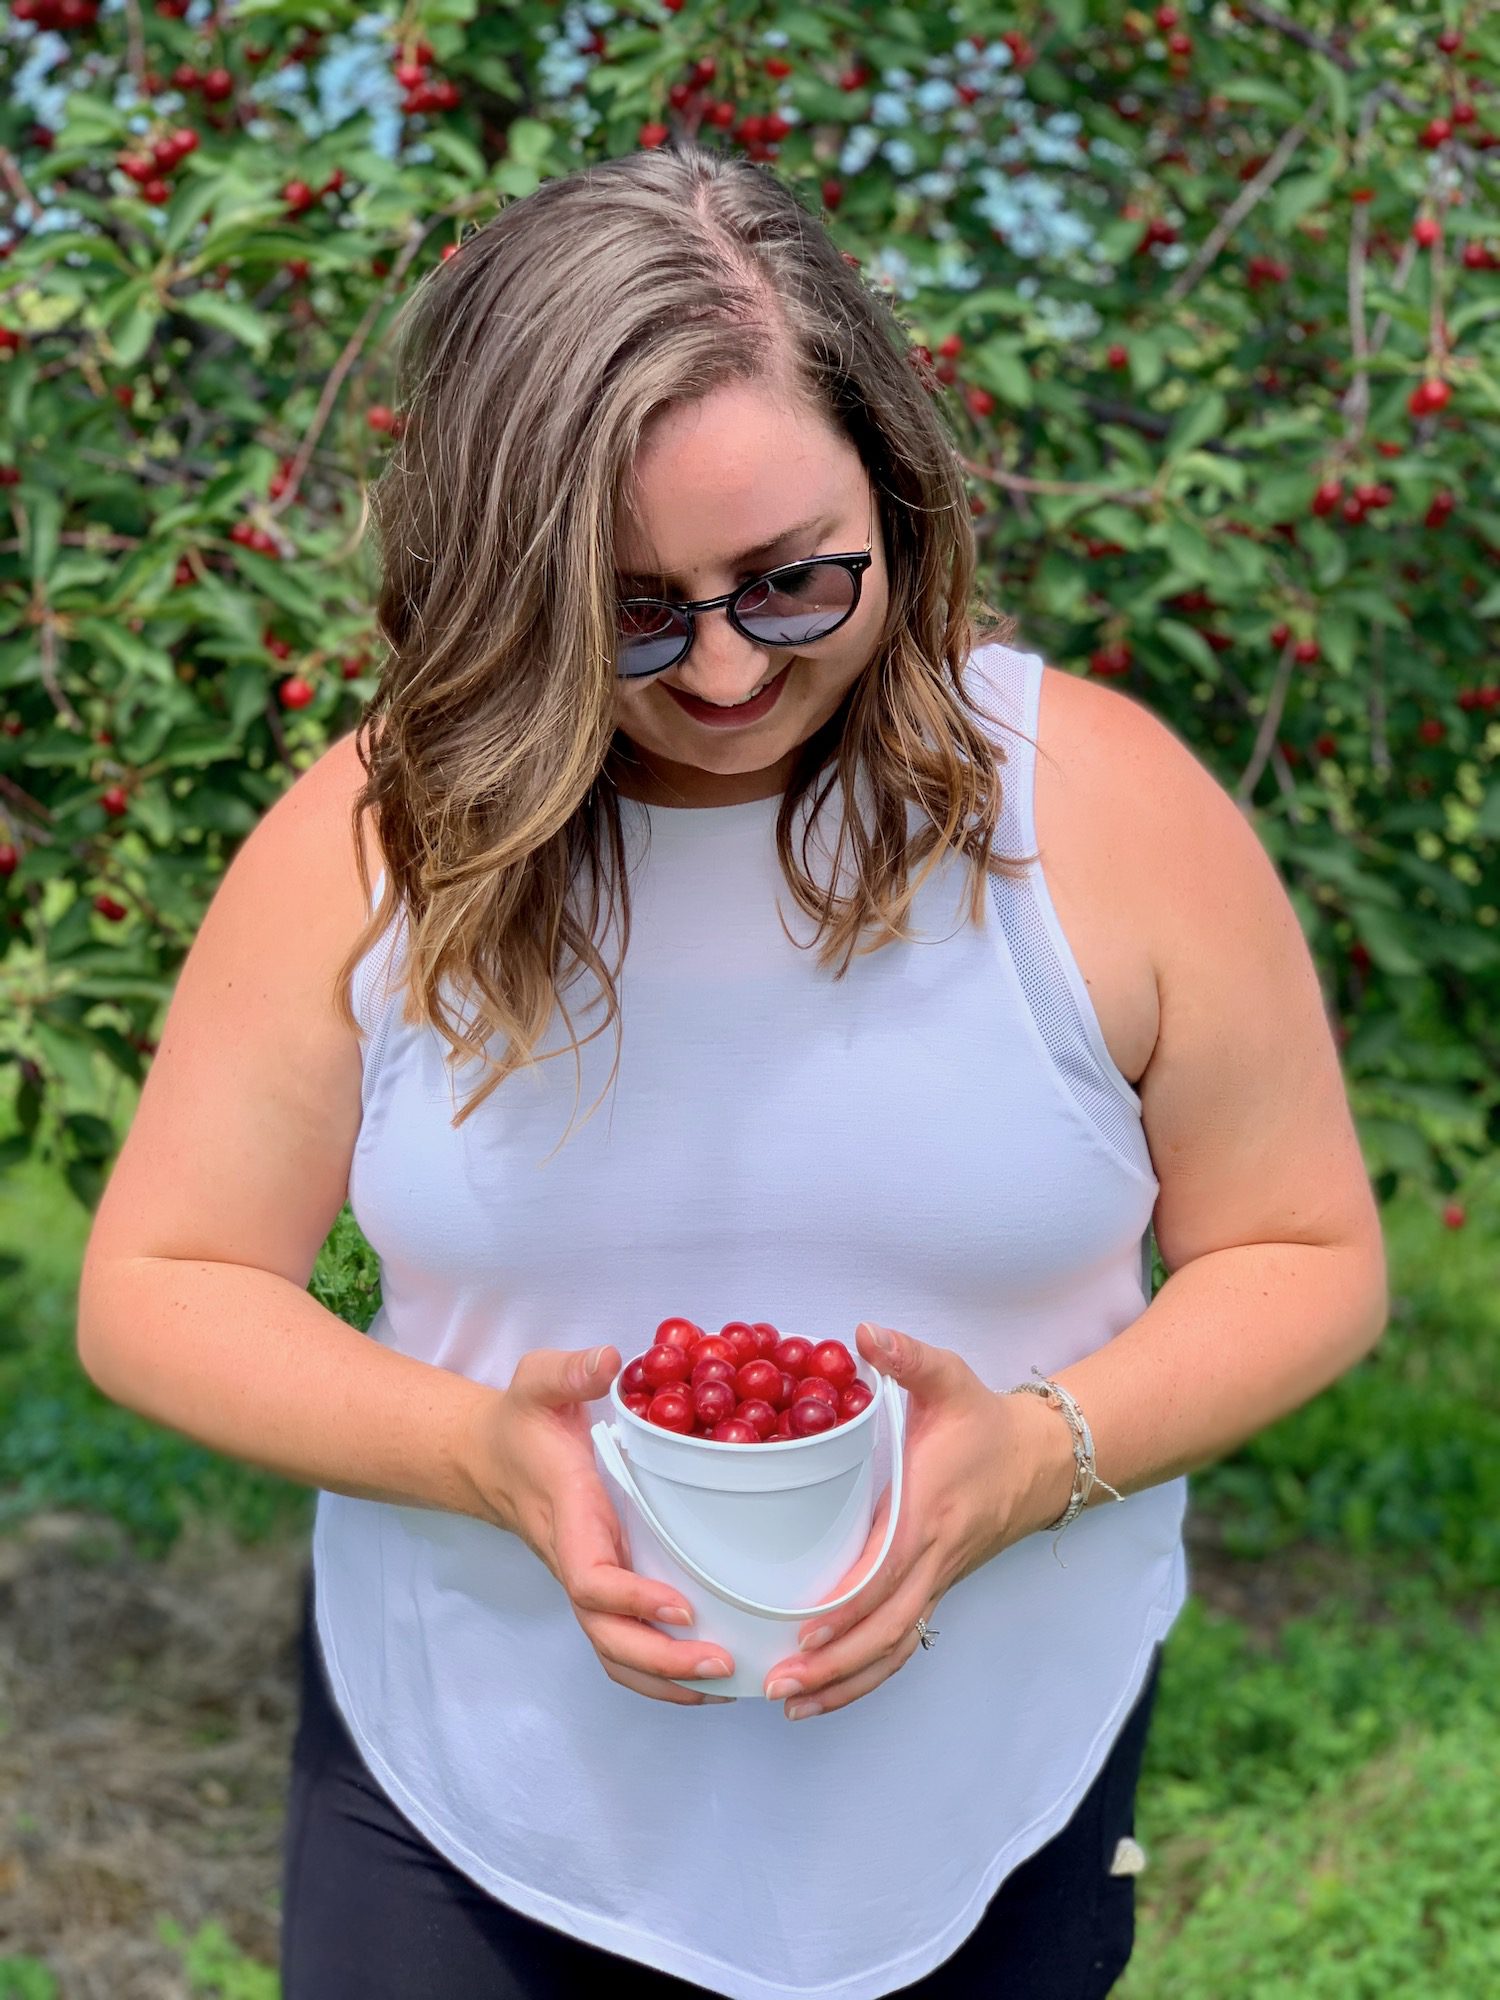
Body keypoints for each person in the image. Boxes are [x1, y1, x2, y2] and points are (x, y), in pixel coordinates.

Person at [76, 140, 1388, 2000]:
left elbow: (1303, 1251)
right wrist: (476, 1456)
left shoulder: (1100, 810)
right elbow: (162, 1285)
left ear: (899, 492)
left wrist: (1039, 1456)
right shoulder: (383, 837)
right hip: (473, 1790)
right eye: (622, 610)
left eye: (787, 583)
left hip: (983, 1785)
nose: (713, 672)